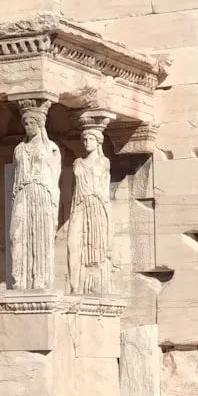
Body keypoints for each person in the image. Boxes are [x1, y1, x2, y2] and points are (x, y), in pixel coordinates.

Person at [10, 102, 61, 291]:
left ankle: (40, 281)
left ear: (40, 124)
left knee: (40, 236)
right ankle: (20, 280)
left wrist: (53, 201)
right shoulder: (19, 149)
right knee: (17, 235)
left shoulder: (51, 148)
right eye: (25, 124)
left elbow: (55, 177)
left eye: (31, 123)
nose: (27, 127)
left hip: (41, 194)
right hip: (23, 193)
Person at [68, 124, 113, 295]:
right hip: (79, 206)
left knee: (97, 247)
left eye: (91, 139)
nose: (87, 142)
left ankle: (96, 287)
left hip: (97, 206)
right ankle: (76, 285)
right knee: (74, 244)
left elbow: (105, 188)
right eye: (85, 139)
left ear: (98, 142)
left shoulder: (104, 162)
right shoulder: (77, 163)